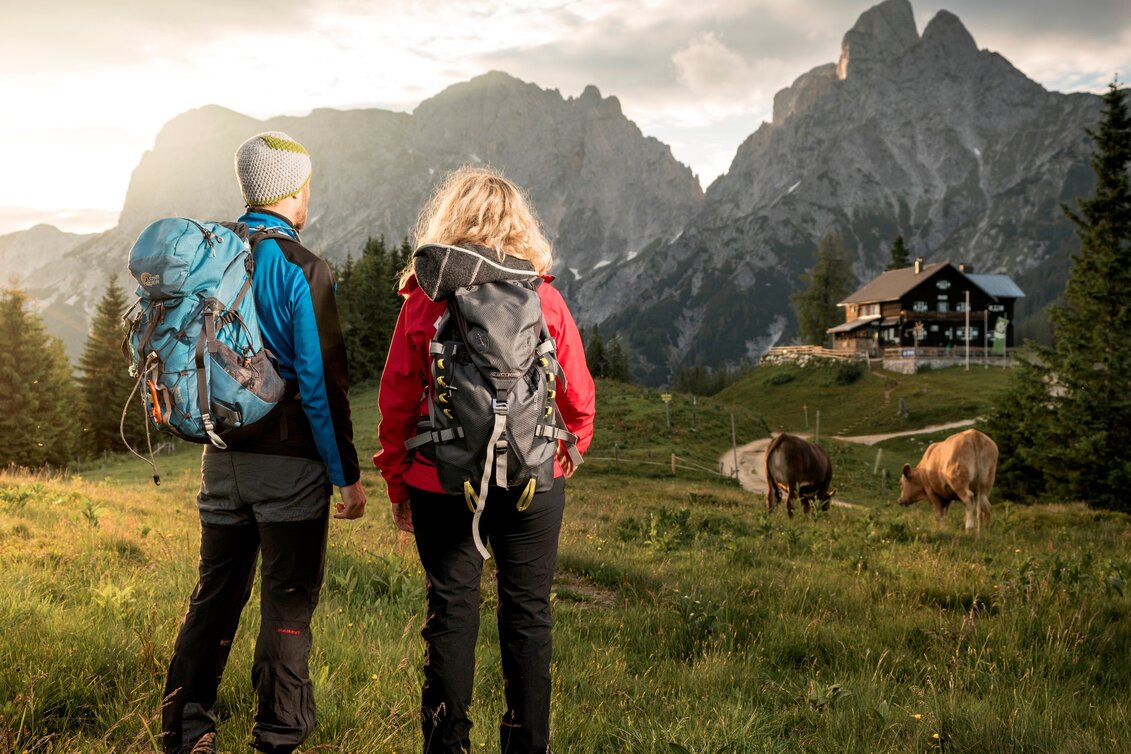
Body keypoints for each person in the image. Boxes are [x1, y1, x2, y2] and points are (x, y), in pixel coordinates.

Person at [374, 166, 595, 753]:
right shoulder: (544, 296)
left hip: (442, 481)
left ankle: (447, 746)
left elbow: (396, 399)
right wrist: (563, 453)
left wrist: (399, 484)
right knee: (527, 615)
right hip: (532, 481)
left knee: (451, 613)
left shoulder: (425, 298)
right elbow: (580, 396)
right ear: (520, 226)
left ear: (449, 220)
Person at [161, 131, 367, 754]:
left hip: (219, 462)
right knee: (287, 604)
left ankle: (184, 727)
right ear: (294, 192)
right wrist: (345, 475)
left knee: (214, 596)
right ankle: (277, 735)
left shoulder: (215, 258)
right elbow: (321, 382)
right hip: (290, 471)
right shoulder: (302, 268)